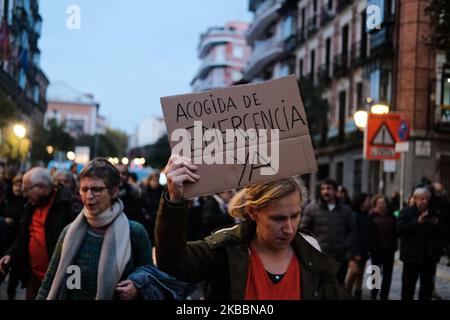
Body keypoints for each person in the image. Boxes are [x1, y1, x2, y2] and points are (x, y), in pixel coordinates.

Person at [155, 155, 352, 300]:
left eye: (295, 216)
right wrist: (174, 201)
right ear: (252, 212)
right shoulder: (226, 248)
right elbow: (174, 263)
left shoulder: (311, 255)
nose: (289, 228)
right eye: (278, 219)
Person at [36, 158, 153, 300]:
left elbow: (149, 277)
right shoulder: (69, 232)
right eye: (84, 189)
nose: (89, 196)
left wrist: (137, 287)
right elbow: (49, 282)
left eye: (96, 190)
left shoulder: (134, 232)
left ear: (114, 191)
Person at [0, 167, 81, 300]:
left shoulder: (69, 204)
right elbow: (24, 235)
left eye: (26, 189)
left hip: (59, 281)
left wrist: (74, 286)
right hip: (34, 279)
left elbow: (78, 248)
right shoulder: (31, 204)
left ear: (41, 187)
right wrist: (10, 254)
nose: (24, 194)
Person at [300, 178, 355, 285]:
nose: (325, 191)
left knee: (337, 287)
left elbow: (352, 231)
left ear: (335, 191)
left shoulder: (345, 210)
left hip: (340, 258)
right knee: (321, 289)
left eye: (328, 189)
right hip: (319, 257)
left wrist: (345, 245)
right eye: (323, 189)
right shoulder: (312, 209)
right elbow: (303, 231)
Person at [398, 187, 444, 300]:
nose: (425, 201)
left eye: (427, 199)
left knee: (426, 289)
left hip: (429, 258)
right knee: (408, 288)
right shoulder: (406, 212)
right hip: (411, 257)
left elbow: (443, 233)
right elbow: (400, 231)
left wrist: (437, 224)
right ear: (415, 199)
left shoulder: (434, 213)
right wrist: (416, 222)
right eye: (422, 199)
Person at [0, 174, 26, 299]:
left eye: (21, 185)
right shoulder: (5, 199)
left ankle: (11, 295)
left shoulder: (26, 202)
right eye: (16, 185)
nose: (18, 188)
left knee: (14, 277)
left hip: (18, 243)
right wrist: (4, 220)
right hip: (4, 241)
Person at [368, 194, 397, 300]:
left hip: (389, 250)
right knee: (375, 273)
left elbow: (395, 231)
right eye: (379, 202)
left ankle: (384, 295)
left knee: (388, 275)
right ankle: (373, 294)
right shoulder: (371, 216)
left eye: (383, 202)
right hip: (376, 250)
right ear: (375, 204)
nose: (382, 204)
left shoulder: (391, 216)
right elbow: (369, 233)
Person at [346, 192, 371, 300]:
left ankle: (358, 293)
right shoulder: (353, 215)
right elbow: (352, 234)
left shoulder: (366, 215)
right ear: (361, 202)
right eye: (367, 201)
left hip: (364, 249)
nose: (369, 203)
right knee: (354, 271)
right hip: (354, 249)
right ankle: (346, 292)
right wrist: (354, 252)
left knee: (360, 273)